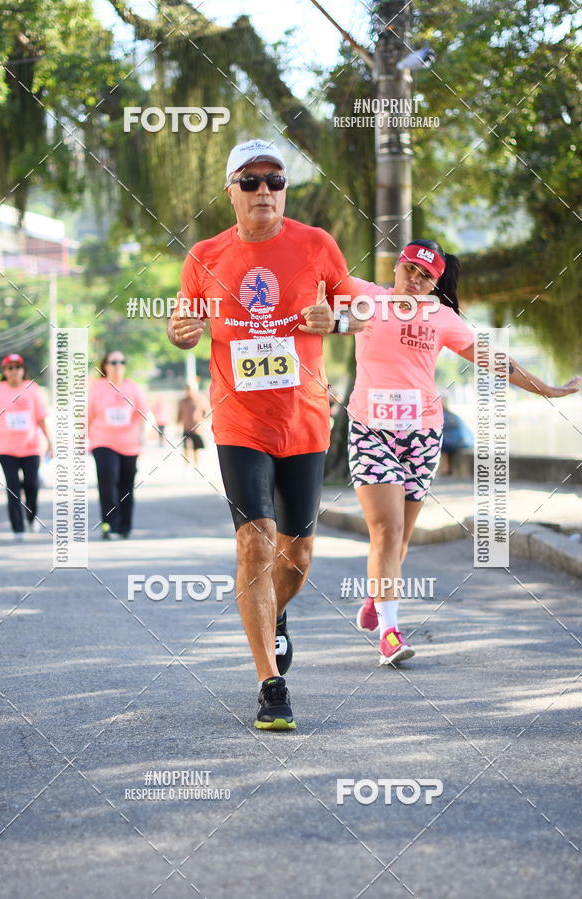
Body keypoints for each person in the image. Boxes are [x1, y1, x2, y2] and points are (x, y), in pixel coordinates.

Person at [167, 138, 362, 730]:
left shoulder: (316, 245)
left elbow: (360, 310)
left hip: (304, 422)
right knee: (255, 539)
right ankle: (269, 684)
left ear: (285, 190)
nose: (263, 191)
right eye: (249, 180)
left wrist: (339, 319)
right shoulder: (204, 255)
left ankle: (274, 616)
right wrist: (181, 333)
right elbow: (184, 324)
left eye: (274, 180)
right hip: (238, 422)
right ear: (230, 189)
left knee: (296, 555)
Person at [349, 239, 582, 665]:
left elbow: (496, 360)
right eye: (409, 270)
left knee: (399, 537)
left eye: (426, 276)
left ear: (435, 283)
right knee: (384, 530)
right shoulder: (366, 296)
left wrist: (549, 390)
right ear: (397, 267)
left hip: (422, 434)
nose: (415, 280)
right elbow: (312, 274)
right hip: (371, 430)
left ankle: (375, 596)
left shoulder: (441, 318)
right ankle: (389, 633)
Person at [0, 353, 53, 540]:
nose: (14, 371)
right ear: (4, 371)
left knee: (32, 485)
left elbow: (41, 419)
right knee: (12, 487)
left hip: (30, 448)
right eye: (9, 368)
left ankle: (30, 516)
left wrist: (50, 443)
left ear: (23, 370)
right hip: (6, 449)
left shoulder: (32, 389)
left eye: (17, 367)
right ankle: (18, 527)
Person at [88, 350, 148, 539]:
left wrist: (142, 437)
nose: (117, 366)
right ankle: (109, 525)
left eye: (121, 362)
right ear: (105, 366)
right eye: (113, 362)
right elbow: (87, 416)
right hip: (102, 442)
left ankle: (125, 526)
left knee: (126, 486)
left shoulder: (133, 388)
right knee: (108, 481)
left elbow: (143, 415)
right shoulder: (96, 388)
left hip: (129, 444)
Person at [177, 383, 208, 468]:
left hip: (197, 430)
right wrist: (178, 427)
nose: (189, 391)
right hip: (186, 428)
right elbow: (179, 415)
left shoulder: (201, 400)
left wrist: (204, 424)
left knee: (196, 449)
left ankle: (196, 466)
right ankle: (186, 466)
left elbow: (206, 414)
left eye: (190, 389)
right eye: (187, 389)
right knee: (186, 448)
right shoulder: (182, 401)